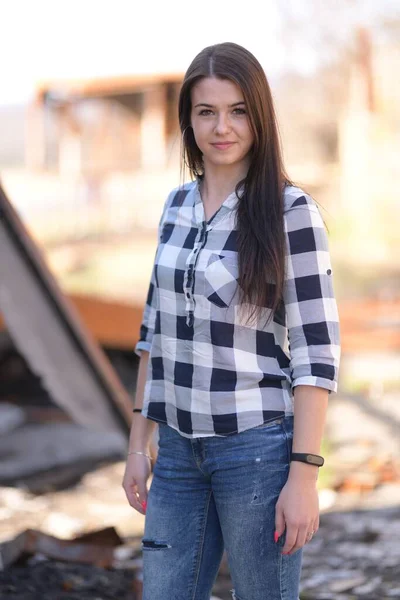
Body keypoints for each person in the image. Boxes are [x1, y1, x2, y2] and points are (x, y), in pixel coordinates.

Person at [122, 41, 340, 600]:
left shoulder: (291, 212)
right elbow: (154, 332)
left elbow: (316, 351)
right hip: (174, 455)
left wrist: (304, 476)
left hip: (258, 453)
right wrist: (136, 446)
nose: (223, 127)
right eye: (206, 111)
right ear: (188, 120)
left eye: (238, 110)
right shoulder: (175, 206)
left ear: (259, 116)